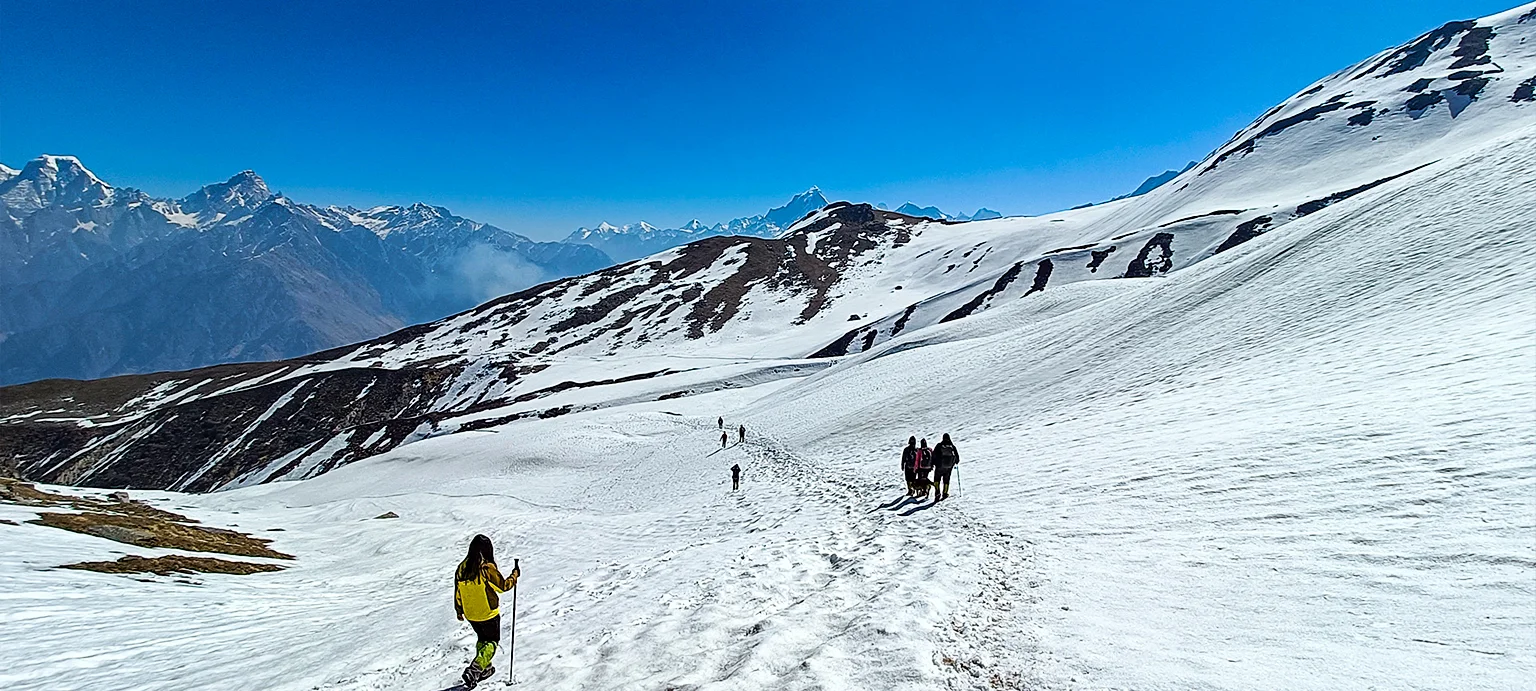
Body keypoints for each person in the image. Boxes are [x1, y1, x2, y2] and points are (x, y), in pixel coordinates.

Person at [454, 534, 519, 688]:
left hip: (471, 614)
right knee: (492, 642)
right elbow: (503, 587)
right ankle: (475, 670)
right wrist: (514, 575)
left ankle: (486, 669)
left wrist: (459, 609)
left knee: (482, 640)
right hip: (488, 613)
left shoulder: (462, 567)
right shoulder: (485, 567)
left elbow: (458, 591)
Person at [931, 433, 960, 501]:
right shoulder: (952, 447)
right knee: (946, 480)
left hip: (939, 467)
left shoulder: (939, 445)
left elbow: (934, 455)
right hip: (948, 468)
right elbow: (957, 459)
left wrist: (933, 463)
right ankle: (945, 493)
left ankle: (937, 492)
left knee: (937, 480)